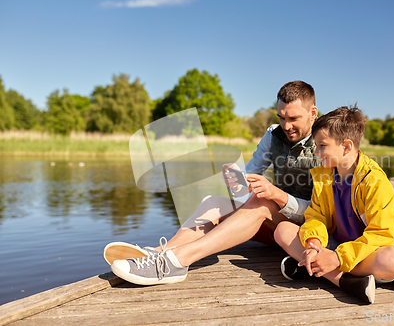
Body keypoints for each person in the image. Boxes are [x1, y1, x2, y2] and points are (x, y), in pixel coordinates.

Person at [105, 80, 323, 285]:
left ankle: (177, 261)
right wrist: (237, 182)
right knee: (213, 201)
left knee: (263, 202)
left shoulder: (325, 143)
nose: (286, 125)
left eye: (293, 119)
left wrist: (277, 195)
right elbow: (245, 190)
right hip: (277, 220)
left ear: (313, 113)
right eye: (281, 118)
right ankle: (160, 252)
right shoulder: (272, 135)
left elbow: (324, 212)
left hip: (309, 230)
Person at [274, 106, 394, 304]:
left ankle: (313, 267)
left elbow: (382, 234)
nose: (316, 152)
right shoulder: (324, 175)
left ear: (346, 146)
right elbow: (316, 216)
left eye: (322, 146)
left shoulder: (374, 181)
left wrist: (338, 258)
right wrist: (314, 243)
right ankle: (343, 280)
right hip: (336, 243)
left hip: (369, 250)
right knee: (282, 230)